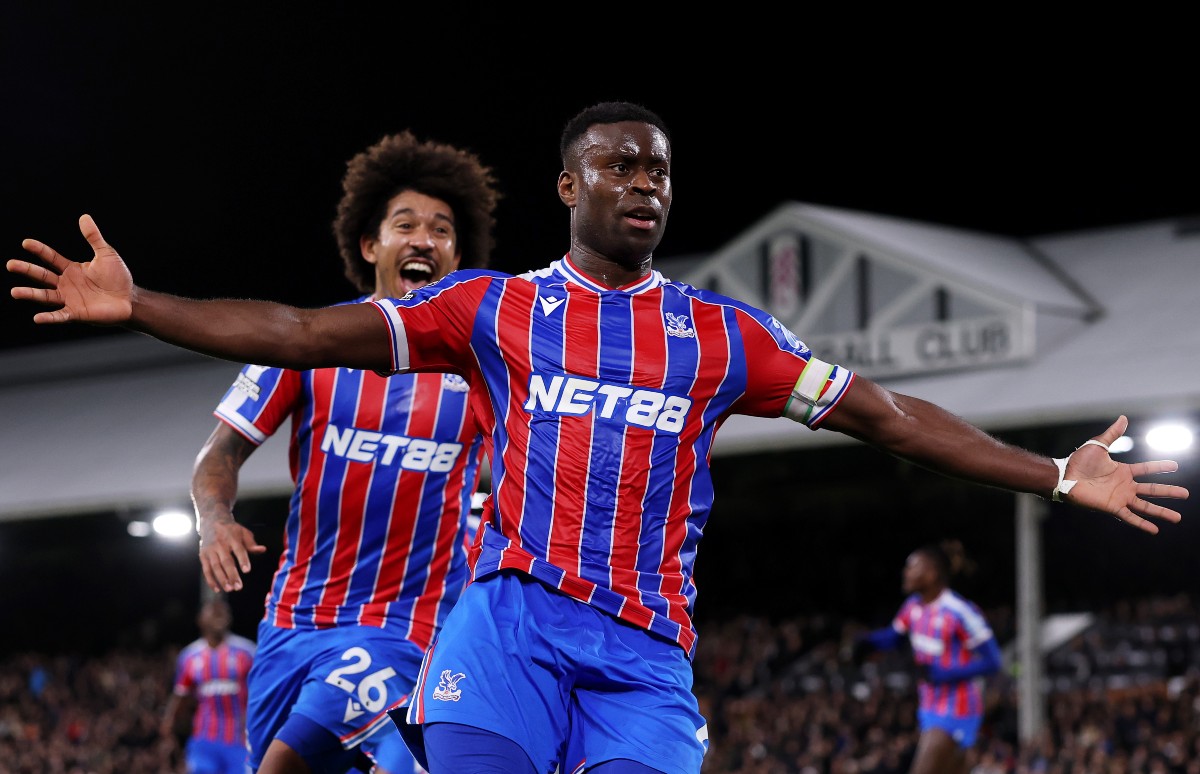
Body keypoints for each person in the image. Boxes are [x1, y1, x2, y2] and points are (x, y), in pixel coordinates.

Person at [9, 101, 1188, 774]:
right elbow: (305, 331)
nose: (645, 183)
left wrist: (1051, 472)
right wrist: (145, 303)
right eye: (620, 166)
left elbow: (890, 417)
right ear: (568, 186)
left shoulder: (725, 337)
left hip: (644, 655)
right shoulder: (496, 312)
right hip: (506, 625)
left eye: (660, 171)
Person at [190, 131, 499, 774]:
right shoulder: (313, 347)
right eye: (406, 224)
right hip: (290, 627)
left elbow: (522, 475)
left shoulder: (481, 371)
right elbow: (220, 454)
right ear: (370, 244)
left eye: (441, 230)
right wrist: (215, 518)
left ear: (457, 256)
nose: (423, 239)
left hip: (406, 632)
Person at [855, 540, 1002, 774]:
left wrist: (943, 674)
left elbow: (994, 661)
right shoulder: (913, 607)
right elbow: (895, 636)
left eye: (912, 567)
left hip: (957, 710)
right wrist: (866, 641)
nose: (905, 573)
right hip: (929, 707)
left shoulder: (960, 611)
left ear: (931, 574)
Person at [161, 595, 257, 774]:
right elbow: (180, 697)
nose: (218, 614)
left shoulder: (247, 652)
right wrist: (168, 726)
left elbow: (260, 694)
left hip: (239, 741)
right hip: (203, 741)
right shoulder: (189, 657)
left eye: (223, 611)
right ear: (200, 619)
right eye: (213, 611)